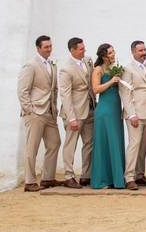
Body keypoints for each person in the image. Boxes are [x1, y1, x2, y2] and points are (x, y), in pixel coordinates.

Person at [17, 35, 61, 192]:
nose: (49, 49)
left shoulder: (52, 64)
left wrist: (54, 108)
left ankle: (47, 178)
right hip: (35, 111)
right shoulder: (30, 65)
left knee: (54, 143)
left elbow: (54, 89)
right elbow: (22, 90)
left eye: (50, 46)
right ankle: (29, 181)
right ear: (38, 48)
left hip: (49, 111)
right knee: (32, 147)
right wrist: (29, 110)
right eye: (46, 47)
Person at [58, 37, 95, 189]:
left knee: (89, 143)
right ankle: (68, 175)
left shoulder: (88, 60)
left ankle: (86, 175)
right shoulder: (66, 69)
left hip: (90, 109)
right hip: (74, 112)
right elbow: (65, 95)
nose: (84, 50)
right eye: (81, 49)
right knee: (70, 144)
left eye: (84, 47)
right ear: (72, 50)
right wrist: (71, 118)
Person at [118, 40, 146, 190]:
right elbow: (125, 93)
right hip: (136, 113)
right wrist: (131, 114)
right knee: (134, 145)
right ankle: (129, 177)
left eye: (144, 50)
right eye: (140, 50)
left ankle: (139, 174)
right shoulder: (128, 69)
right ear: (133, 52)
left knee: (144, 145)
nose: (143, 53)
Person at [89, 43, 125, 189]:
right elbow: (96, 89)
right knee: (104, 142)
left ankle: (115, 178)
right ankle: (102, 179)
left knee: (115, 141)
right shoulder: (98, 69)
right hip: (105, 110)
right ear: (104, 56)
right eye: (110, 53)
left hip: (116, 109)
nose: (113, 54)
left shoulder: (113, 68)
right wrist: (111, 81)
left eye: (113, 51)